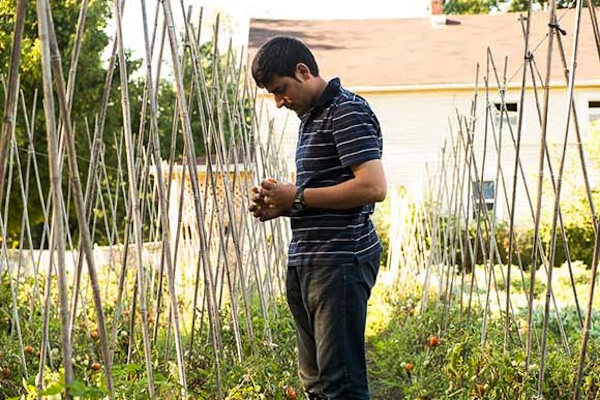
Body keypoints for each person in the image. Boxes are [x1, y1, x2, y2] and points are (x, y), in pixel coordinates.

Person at [248, 36, 387, 400]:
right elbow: (321, 193)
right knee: (316, 383)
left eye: (281, 90)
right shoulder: (311, 118)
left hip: (339, 260)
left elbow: (373, 186)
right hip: (309, 260)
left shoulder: (346, 111)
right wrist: (282, 204)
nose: (278, 103)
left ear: (303, 70)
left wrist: (297, 196)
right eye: (273, 95)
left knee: (340, 384)